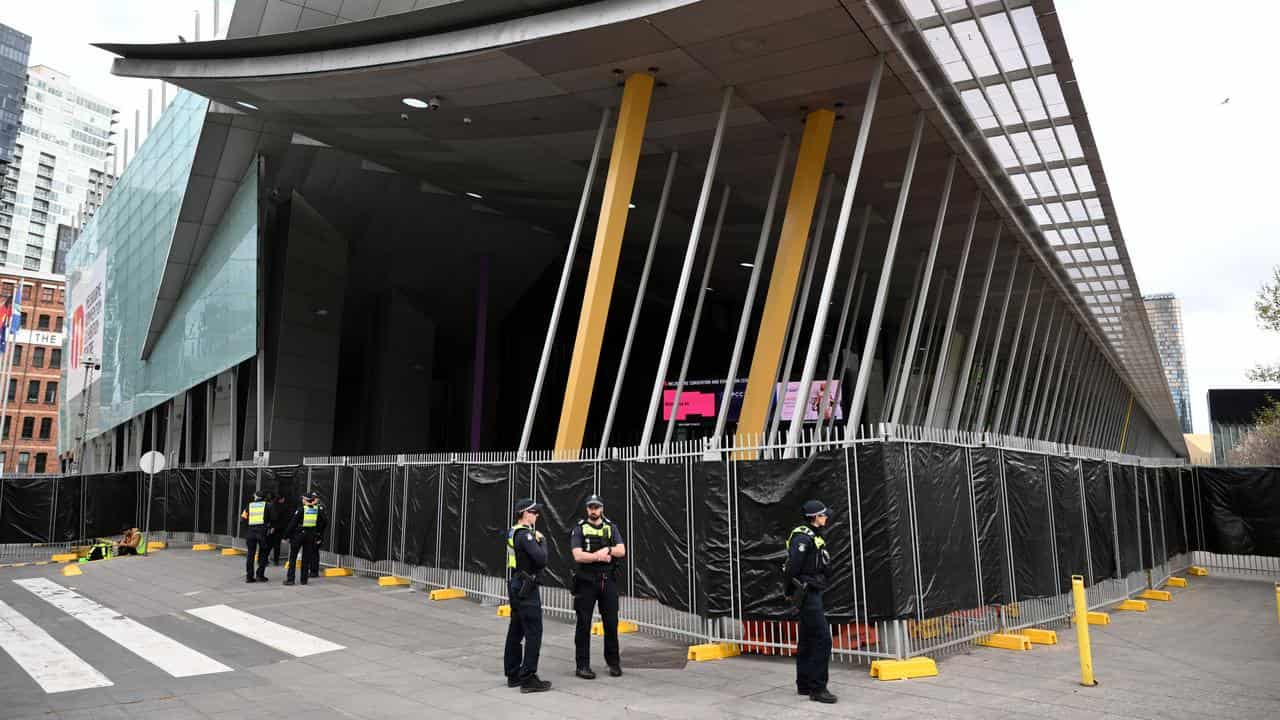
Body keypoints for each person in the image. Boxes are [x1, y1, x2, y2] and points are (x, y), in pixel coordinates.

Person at [786, 500, 836, 704]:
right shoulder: (803, 538)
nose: (826, 518)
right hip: (807, 594)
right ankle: (818, 688)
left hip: (812, 590)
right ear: (814, 517)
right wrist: (790, 591)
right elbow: (792, 568)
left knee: (807, 639)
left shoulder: (813, 535)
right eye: (823, 515)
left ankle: (804, 684)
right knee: (823, 639)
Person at [570, 494, 625, 679]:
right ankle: (582, 665)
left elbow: (622, 550)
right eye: (591, 507)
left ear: (602, 508)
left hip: (607, 580)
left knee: (611, 623)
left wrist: (608, 550)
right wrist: (598, 556)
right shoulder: (579, 529)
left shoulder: (611, 527)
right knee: (583, 623)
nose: (594, 510)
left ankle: (614, 663)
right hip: (586, 581)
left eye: (597, 507)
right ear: (587, 509)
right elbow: (577, 555)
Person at [503, 498, 551, 693]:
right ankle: (528, 678)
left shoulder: (513, 531)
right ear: (524, 513)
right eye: (534, 512)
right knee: (533, 632)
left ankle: (513, 673)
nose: (536, 515)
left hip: (516, 584)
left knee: (516, 630)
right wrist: (543, 541)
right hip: (527, 587)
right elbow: (541, 559)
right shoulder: (525, 535)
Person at [283, 492, 327, 586]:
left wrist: (285, 536)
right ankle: (304, 580)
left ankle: (290, 579)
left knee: (293, 558)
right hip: (310, 536)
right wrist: (317, 533)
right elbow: (323, 522)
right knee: (306, 559)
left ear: (306, 500)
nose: (302, 500)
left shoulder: (301, 509)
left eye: (303, 498)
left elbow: (292, 524)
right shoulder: (317, 510)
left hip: (299, 535)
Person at [240, 491, 274, 583]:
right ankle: (260, 575)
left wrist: (248, 528)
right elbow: (273, 519)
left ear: (256, 497)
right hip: (262, 533)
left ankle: (249, 577)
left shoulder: (249, 506)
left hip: (251, 532)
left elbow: (243, 519)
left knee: (250, 555)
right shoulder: (268, 506)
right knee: (263, 554)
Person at [269, 492, 289, 565]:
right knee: (277, 545)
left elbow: (272, 517)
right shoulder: (284, 507)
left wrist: (272, 526)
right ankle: (276, 560)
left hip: (273, 528)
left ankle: (265, 559)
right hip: (279, 528)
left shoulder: (272, 505)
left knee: (269, 544)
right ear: (281, 499)